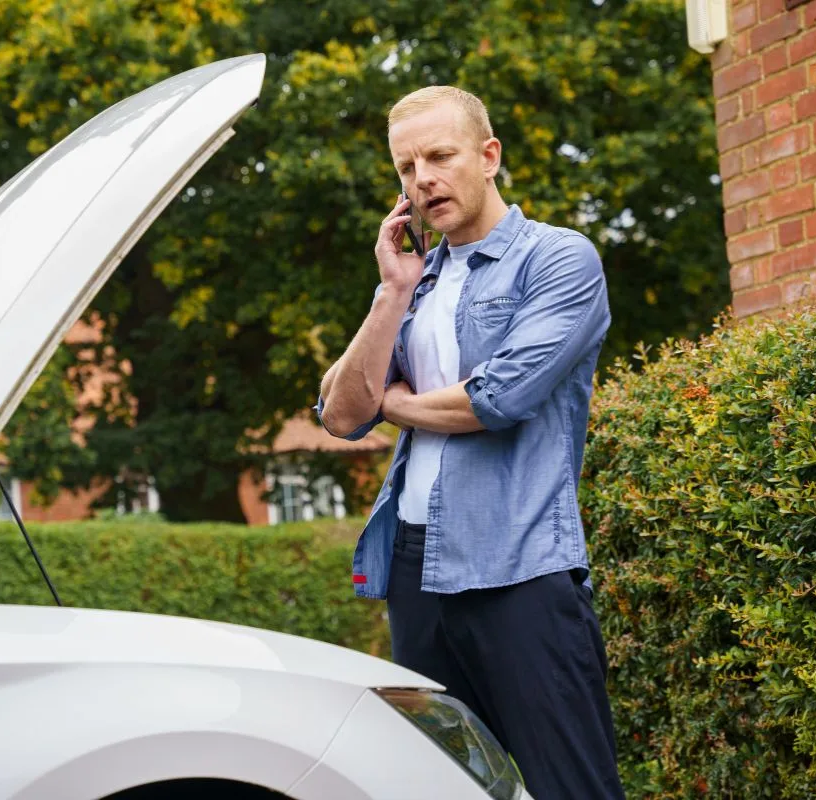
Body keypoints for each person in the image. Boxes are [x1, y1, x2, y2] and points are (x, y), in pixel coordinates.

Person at [315, 86, 625, 800]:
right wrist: (390, 294)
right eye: (405, 167)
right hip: (415, 568)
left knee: (570, 787)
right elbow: (340, 413)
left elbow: (498, 398)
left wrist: (395, 403)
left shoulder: (557, 261)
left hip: (518, 567)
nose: (422, 179)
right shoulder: (415, 280)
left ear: (488, 157)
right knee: (444, 787)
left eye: (440, 156)